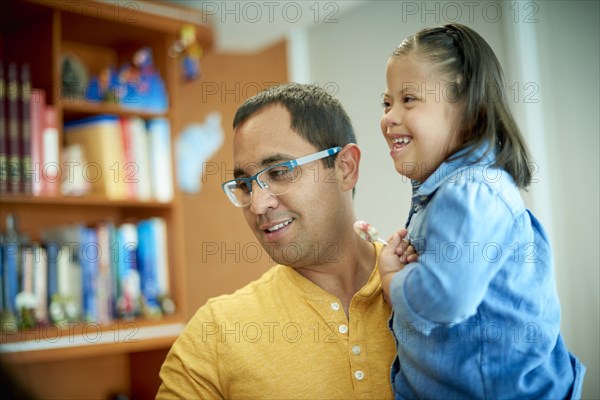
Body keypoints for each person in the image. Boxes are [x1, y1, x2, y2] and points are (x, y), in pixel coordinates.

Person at [377, 23, 586, 399]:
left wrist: (396, 283)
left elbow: (445, 296)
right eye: (387, 102)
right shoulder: (457, 193)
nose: (390, 116)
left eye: (409, 99)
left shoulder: (471, 192)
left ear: (470, 112)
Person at [157, 83, 396, 399]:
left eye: (280, 172)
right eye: (245, 184)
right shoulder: (215, 332)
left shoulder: (434, 290)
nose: (257, 205)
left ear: (345, 168)